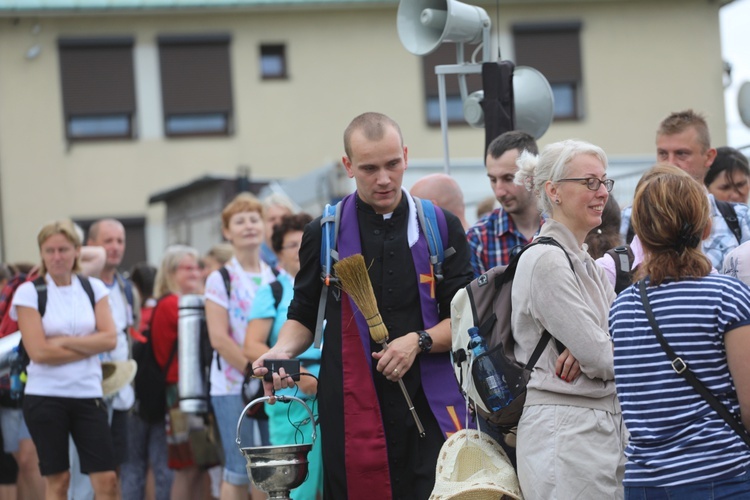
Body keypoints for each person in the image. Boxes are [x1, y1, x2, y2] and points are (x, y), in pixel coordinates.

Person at [254, 112, 473, 499]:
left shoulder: (439, 227)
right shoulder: (323, 233)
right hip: (350, 403)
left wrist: (417, 341)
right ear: (348, 166)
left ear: (405, 155)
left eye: (393, 164)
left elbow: (466, 317)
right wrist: (279, 351)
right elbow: (304, 313)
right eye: (370, 168)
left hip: (431, 402)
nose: (384, 178)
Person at [610, 164, 750, 497]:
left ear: (641, 234)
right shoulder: (727, 297)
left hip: (645, 483)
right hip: (721, 475)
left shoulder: (622, 306)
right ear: (706, 227)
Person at [512, 140, 627, 499]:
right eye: (589, 182)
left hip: (589, 430)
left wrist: (592, 343)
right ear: (553, 191)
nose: (602, 193)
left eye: (604, 182)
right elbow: (603, 355)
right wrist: (591, 345)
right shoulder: (546, 260)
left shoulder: (583, 259)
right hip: (565, 433)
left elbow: (615, 336)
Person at [10, 219, 119, 500]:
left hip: (88, 392)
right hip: (46, 394)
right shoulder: (30, 291)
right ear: (42, 254)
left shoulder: (93, 287)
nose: (57, 257)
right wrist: (88, 345)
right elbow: (39, 352)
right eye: (50, 251)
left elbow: (109, 339)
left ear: (76, 251)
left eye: (63, 249)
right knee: (58, 481)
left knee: (107, 480)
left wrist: (64, 342)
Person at [243, 212, 323, 500]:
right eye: (293, 245)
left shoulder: (330, 286)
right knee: (295, 484)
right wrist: (297, 374)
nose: (302, 250)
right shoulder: (273, 291)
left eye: (307, 243)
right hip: (291, 394)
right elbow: (252, 345)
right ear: (278, 252)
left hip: (331, 389)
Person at [204, 193, 276, 500]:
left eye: (254, 219)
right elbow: (219, 338)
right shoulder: (221, 278)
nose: (248, 226)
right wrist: (254, 373)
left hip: (271, 384)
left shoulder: (275, 276)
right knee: (237, 468)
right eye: (239, 221)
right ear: (227, 231)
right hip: (233, 385)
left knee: (268, 466)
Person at [621, 110, 750, 269]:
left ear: (709, 157)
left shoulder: (740, 219)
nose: (669, 163)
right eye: (663, 154)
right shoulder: (629, 218)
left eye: (681, 154)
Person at [150, 245, 212, 500]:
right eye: (188, 268)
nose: (195, 272)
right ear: (171, 271)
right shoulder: (173, 303)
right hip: (182, 394)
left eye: (197, 267)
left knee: (198, 465)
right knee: (188, 467)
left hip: (185, 392)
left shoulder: (171, 302)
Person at [86, 219, 140, 474]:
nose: (115, 247)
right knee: (90, 470)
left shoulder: (126, 288)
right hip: (87, 391)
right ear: (90, 246)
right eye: (108, 241)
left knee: (116, 468)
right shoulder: (79, 285)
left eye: (120, 241)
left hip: (120, 392)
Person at [121, 262, 173, 500]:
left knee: (132, 466)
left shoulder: (132, 318)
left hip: (134, 398)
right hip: (161, 399)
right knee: (163, 466)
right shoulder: (165, 310)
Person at [466, 130, 542, 278]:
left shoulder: (562, 228)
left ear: (534, 174)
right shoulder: (478, 238)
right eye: (493, 180)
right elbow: (477, 300)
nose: (499, 191)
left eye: (508, 178)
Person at [260, 193, 296, 270]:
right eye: (272, 219)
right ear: (262, 223)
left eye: (284, 218)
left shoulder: (302, 253)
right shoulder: (256, 260)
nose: (279, 224)